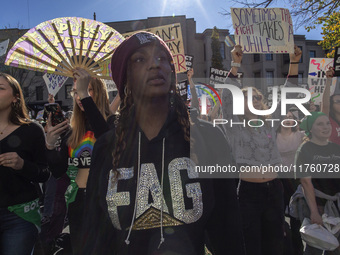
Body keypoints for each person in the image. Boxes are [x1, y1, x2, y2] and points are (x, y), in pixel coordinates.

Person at [81, 32, 245, 255]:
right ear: (125, 78)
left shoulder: (208, 138)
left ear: (171, 70)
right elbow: (94, 235)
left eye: (162, 58)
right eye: (140, 59)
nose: (154, 65)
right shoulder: (106, 147)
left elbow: (229, 231)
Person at [221, 44, 303, 255]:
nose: (257, 100)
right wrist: (235, 64)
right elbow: (227, 96)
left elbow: (288, 95)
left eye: (259, 97)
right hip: (249, 194)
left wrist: (294, 62)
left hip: (275, 191)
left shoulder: (270, 123)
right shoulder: (234, 125)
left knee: (275, 245)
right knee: (251, 246)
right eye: (251, 97)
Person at [45, 68, 110, 254]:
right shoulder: (72, 131)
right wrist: (49, 146)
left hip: (106, 199)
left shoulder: (113, 123)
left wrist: (85, 96)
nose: (80, 97)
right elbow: (58, 171)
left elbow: (106, 141)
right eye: (76, 92)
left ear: (99, 92)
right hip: (78, 201)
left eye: (88, 90)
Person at [0, 72, 50, 255]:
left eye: (0, 88)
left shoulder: (31, 130)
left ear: (15, 97)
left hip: (19, 216)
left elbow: (45, 173)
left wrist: (22, 165)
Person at [297, 111, 340, 254]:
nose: (326, 127)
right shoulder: (304, 150)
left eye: (327, 123)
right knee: (316, 246)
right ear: (311, 129)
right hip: (317, 204)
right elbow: (306, 182)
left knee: (335, 246)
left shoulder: (335, 148)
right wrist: (314, 212)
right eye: (320, 124)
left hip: (335, 205)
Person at [276, 109, 305, 255]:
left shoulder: (300, 135)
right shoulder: (273, 135)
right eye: (285, 117)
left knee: (296, 216)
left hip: (295, 179)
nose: (288, 119)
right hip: (279, 178)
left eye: (291, 117)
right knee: (279, 213)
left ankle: (297, 248)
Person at [322, 67, 340, 145]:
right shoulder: (328, 120)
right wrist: (328, 80)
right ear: (331, 104)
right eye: (338, 101)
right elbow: (325, 104)